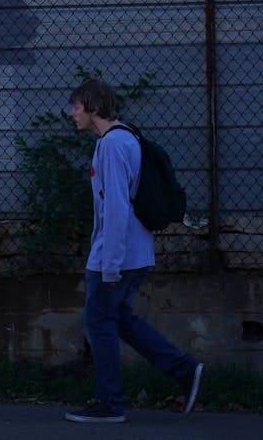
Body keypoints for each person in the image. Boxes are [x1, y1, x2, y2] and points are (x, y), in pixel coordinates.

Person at [65, 78, 205, 425]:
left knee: (99, 322)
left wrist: (109, 265)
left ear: (93, 106)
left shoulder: (112, 146)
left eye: (76, 107)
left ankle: (110, 403)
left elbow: (115, 209)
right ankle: (185, 369)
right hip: (134, 252)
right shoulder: (126, 137)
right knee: (120, 319)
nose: (72, 114)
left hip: (117, 256)